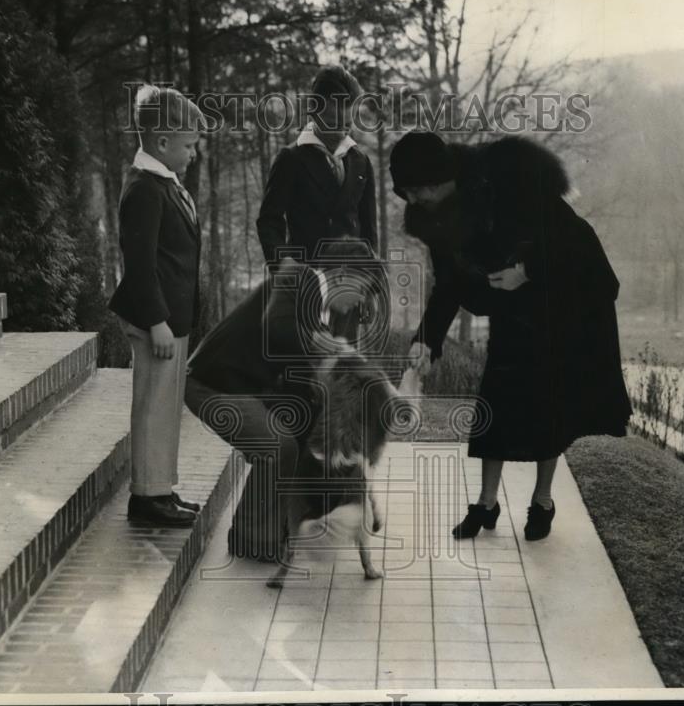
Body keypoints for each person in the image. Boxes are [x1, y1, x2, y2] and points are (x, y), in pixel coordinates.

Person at [390, 130, 632, 541]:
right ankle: (486, 504)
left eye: (413, 191)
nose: (411, 202)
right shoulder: (436, 217)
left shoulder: (510, 177)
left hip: (557, 305)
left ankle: (542, 501)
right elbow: (448, 284)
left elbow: (571, 240)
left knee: (548, 408)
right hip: (511, 313)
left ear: (435, 180)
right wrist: (426, 341)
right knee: (495, 404)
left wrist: (527, 270)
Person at [185, 238, 386, 561]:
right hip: (211, 384)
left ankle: (282, 529)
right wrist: (314, 344)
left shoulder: (316, 312)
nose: (361, 299)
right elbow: (276, 328)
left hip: (244, 386)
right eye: (362, 288)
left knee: (301, 432)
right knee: (277, 445)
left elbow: (302, 382)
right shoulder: (298, 277)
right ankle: (254, 541)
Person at [108, 85, 204, 527]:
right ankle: (146, 499)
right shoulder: (144, 188)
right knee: (153, 407)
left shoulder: (164, 182)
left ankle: (161, 489)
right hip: (156, 320)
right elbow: (141, 263)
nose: (193, 154)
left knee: (166, 407)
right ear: (162, 143)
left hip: (171, 318)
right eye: (188, 145)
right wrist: (158, 321)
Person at [256, 65, 378, 266]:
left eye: (346, 125)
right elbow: (269, 221)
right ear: (314, 113)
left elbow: (369, 230)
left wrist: (371, 281)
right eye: (332, 123)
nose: (340, 133)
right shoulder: (291, 158)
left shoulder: (361, 162)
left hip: (350, 280)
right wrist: (284, 262)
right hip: (306, 277)